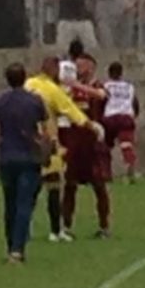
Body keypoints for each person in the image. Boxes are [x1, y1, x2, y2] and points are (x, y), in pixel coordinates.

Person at [0, 62, 49, 265]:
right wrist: (48, 151)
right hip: (28, 158)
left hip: (7, 158)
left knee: (10, 204)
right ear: (25, 78)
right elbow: (44, 130)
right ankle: (18, 249)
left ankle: (11, 245)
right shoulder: (35, 101)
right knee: (25, 203)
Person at [25, 55, 97, 244]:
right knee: (53, 186)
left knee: (31, 187)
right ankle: (55, 231)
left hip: (27, 142)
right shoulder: (52, 90)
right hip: (48, 142)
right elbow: (72, 111)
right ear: (54, 70)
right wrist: (92, 126)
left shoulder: (28, 84)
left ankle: (25, 228)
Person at [62, 53, 112, 240]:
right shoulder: (70, 90)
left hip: (93, 143)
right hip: (74, 143)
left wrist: (75, 85)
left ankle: (104, 226)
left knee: (99, 186)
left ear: (91, 67)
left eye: (81, 66)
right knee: (69, 185)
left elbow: (101, 96)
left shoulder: (97, 86)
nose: (77, 70)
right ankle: (65, 226)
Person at [101, 61, 140, 183]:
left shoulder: (106, 86)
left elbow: (100, 101)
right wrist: (134, 115)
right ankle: (130, 170)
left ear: (109, 73)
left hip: (110, 117)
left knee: (105, 147)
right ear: (121, 73)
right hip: (125, 117)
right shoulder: (129, 87)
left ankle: (106, 173)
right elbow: (135, 103)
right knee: (126, 145)